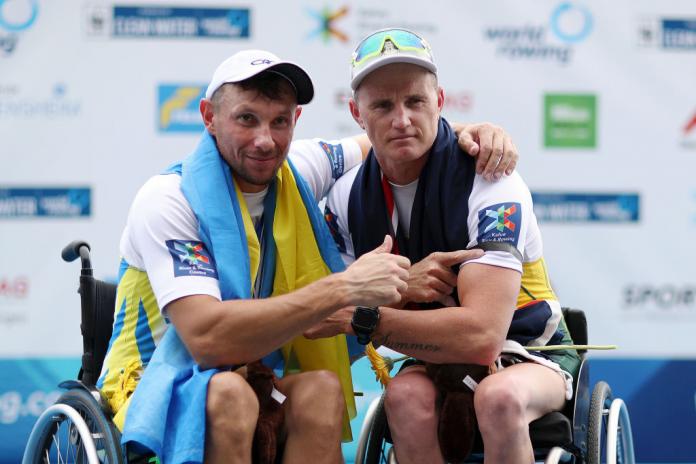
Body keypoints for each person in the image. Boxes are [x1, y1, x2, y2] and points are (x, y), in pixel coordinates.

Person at [96, 48, 520, 464]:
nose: (265, 140)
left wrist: (475, 133)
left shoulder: (298, 167)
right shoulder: (169, 199)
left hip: (254, 372)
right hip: (155, 378)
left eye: (279, 121)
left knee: (321, 391)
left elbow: (392, 133)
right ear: (209, 116)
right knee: (229, 394)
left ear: (295, 120)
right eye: (247, 119)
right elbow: (209, 342)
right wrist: (344, 289)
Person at [312, 29, 582, 463]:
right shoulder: (344, 195)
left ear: (439, 102)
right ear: (356, 113)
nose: (401, 119)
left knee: (498, 398)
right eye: (383, 105)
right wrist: (382, 300)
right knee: (402, 397)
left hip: (529, 346)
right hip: (431, 356)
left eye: (415, 102)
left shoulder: (491, 179)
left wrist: (364, 317)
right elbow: (322, 315)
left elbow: (482, 339)